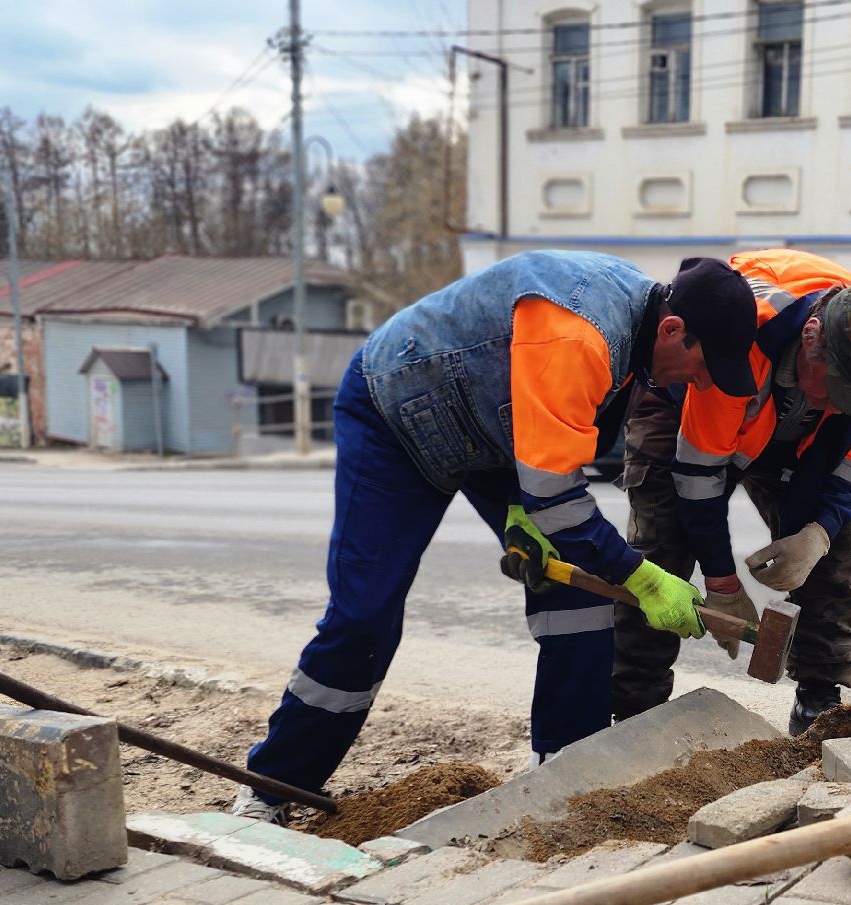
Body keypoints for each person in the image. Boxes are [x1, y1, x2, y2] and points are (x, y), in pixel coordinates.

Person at [231, 251, 759, 821]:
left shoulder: (638, 334)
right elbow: (556, 496)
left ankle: (566, 772)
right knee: (363, 618)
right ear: (674, 329)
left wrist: (522, 510)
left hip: (495, 439)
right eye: (704, 364)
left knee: (580, 594)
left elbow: (554, 460)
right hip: (395, 416)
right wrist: (643, 577)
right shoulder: (580, 334)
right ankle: (269, 789)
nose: (701, 381)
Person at [611, 248, 851, 733]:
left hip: (785, 429)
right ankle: (633, 711)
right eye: (833, 389)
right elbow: (698, 480)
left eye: (850, 400)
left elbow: (845, 474)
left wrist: (816, 531)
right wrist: (722, 583)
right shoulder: (739, 344)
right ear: (811, 339)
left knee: (832, 556)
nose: (837, 405)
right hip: (688, 394)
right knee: (663, 553)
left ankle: (820, 704)